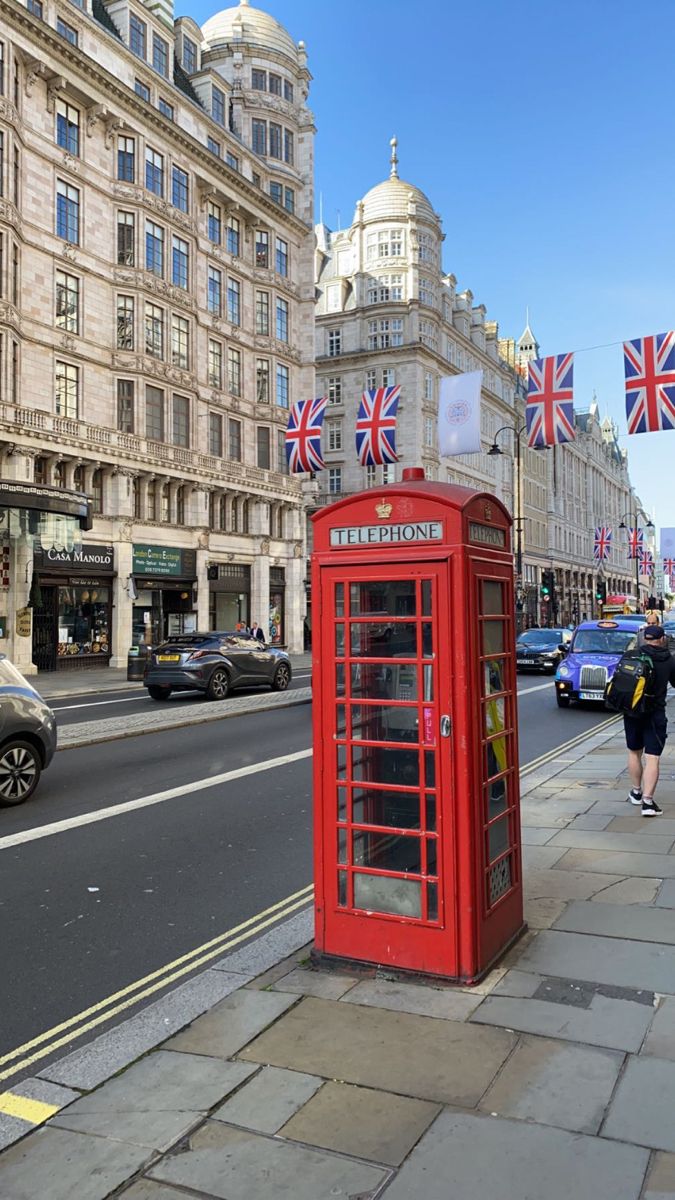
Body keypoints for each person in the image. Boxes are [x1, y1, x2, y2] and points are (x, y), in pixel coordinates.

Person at [625, 624, 675, 817]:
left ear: (645, 639)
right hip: (655, 713)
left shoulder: (632, 655)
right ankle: (647, 803)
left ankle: (636, 792)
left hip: (632, 712)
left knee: (634, 752)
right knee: (652, 757)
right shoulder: (668, 660)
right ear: (662, 639)